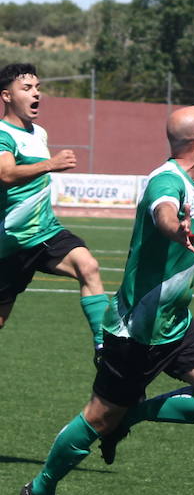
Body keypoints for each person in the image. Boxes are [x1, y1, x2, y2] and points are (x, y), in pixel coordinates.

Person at [20, 106, 194, 495]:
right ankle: (40, 491)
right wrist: (175, 228)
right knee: (98, 419)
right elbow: (162, 213)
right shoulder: (167, 180)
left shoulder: (190, 183)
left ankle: (133, 415)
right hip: (136, 333)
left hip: (176, 324)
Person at [0, 63, 107, 355]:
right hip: (9, 243)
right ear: (6, 96)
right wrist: (51, 164)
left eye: (37, 87)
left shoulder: (40, 133)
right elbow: (6, 174)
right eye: (27, 88)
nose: (36, 94)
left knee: (88, 266)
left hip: (45, 233)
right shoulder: (1, 133)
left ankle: (105, 345)